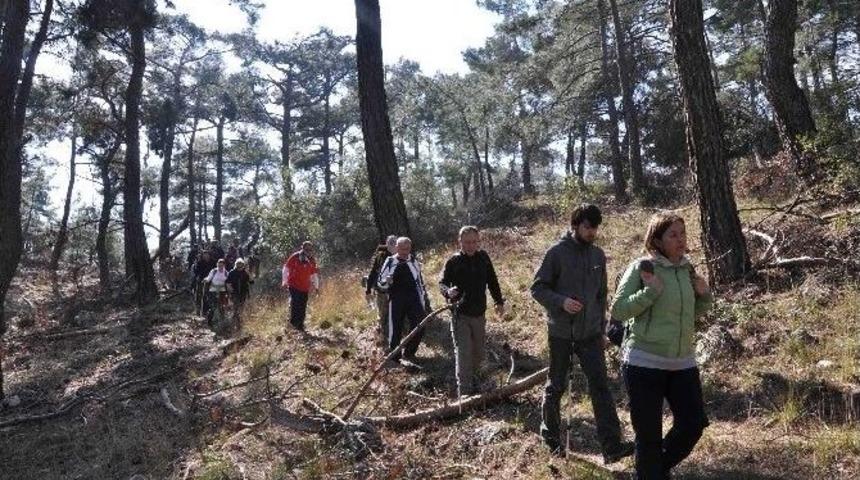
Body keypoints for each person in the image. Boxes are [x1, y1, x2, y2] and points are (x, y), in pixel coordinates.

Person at [611, 212, 713, 480]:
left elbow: (691, 314)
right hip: (644, 363)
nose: (681, 239)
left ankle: (653, 470)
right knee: (649, 436)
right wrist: (650, 291)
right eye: (673, 235)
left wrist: (704, 296)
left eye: (683, 233)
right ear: (657, 240)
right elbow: (618, 310)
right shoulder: (643, 267)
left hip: (683, 362)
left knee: (693, 425)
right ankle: (651, 473)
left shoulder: (687, 270)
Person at [531, 204, 634, 462]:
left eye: (596, 228)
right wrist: (561, 302)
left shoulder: (598, 255)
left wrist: (602, 330)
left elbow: (601, 296)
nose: (592, 232)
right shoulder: (556, 253)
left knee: (600, 387)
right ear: (576, 225)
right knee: (556, 386)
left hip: (590, 335)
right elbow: (537, 288)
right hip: (561, 333)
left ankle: (612, 447)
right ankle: (551, 438)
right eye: (588, 227)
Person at [440, 226, 506, 397]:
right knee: (463, 351)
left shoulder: (483, 258)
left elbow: (492, 281)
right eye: (467, 242)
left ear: (479, 241)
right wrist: (448, 292)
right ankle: (465, 392)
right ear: (459, 242)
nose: (471, 246)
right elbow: (442, 283)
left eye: (474, 242)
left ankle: (479, 384)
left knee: (479, 351)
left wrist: (499, 302)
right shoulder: (453, 261)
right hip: (460, 314)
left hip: (479, 313)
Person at [377, 237, 429, 365]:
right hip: (396, 299)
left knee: (420, 324)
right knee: (395, 329)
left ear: (410, 247)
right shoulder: (390, 261)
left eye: (407, 248)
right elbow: (380, 283)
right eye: (401, 249)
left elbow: (419, 280)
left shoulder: (413, 260)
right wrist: (387, 281)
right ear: (397, 248)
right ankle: (395, 357)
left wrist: (422, 297)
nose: (404, 251)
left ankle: (409, 352)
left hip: (414, 298)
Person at [366, 235, 398, 341]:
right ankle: (384, 337)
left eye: (394, 243)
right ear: (387, 244)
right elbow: (373, 273)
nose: (393, 246)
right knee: (383, 314)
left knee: (396, 315)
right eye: (390, 243)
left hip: (396, 292)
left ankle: (395, 336)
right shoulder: (380, 256)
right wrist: (368, 289)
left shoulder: (401, 257)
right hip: (381, 291)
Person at [282, 241, 319, 331]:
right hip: (293, 285)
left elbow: (314, 275)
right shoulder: (295, 257)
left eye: (310, 249)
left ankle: (300, 325)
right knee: (295, 303)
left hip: (305, 287)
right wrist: (284, 281)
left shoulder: (312, 260)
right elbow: (286, 268)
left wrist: (317, 287)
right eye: (306, 249)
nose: (308, 251)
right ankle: (293, 324)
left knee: (303, 305)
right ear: (303, 248)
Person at [226, 258, 253, 331]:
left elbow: (251, 282)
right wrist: (230, 290)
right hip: (234, 293)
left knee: (241, 309)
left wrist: (249, 273)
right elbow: (228, 282)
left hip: (243, 293)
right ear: (236, 264)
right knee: (236, 308)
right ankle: (233, 325)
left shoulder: (245, 273)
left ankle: (239, 324)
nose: (240, 266)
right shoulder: (232, 272)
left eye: (241, 264)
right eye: (238, 264)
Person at [203, 258, 229, 327]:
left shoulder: (226, 273)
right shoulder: (214, 271)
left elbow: (228, 281)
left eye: (222, 265)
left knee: (222, 307)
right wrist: (205, 280)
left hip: (222, 291)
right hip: (213, 291)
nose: (220, 267)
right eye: (219, 265)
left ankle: (222, 322)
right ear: (217, 264)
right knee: (213, 307)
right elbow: (209, 278)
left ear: (224, 265)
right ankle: (209, 321)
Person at [193, 249, 216, 315]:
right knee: (199, 295)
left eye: (207, 254)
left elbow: (215, 270)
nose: (206, 256)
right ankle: (198, 310)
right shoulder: (199, 262)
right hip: (201, 280)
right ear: (202, 255)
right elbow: (196, 272)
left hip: (210, 281)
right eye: (204, 255)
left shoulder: (213, 262)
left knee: (207, 296)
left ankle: (206, 311)